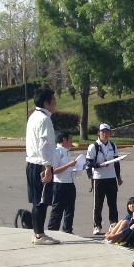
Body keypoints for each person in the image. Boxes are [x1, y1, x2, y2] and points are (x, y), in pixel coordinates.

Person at [25, 87, 59, 245]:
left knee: (37, 200)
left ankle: (37, 232)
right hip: (40, 165)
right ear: (46, 103)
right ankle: (39, 235)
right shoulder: (44, 119)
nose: (55, 103)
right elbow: (44, 145)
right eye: (54, 100)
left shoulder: (33, 116)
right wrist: (47, 168)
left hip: (32, 163)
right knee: (42, 201)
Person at [87, 123, 122, 236]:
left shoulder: (113, 145)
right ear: (99, 133)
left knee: (112, 203)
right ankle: (97, 226)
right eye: (103, 132)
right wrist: (98, 165)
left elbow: (116, 162)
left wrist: (118, 176)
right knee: (98, 204)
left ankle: (113, 224)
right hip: (99, 178)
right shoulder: (94, 146)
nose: (105, 134)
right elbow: (88, 163)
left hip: (111, 178)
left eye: (107, 132)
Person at [48, 130, 78, 235]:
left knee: (70, 209)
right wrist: (69, 165)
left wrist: (76, 168)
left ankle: (67, 230)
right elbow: (54, 170)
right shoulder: (56, 152)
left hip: (70, 183)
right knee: (58, 209)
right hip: (59, 184)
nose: (72, 141)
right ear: (64, 139)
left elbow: (68, 168)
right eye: (70, 139)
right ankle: (52, 230)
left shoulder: (67, 151)